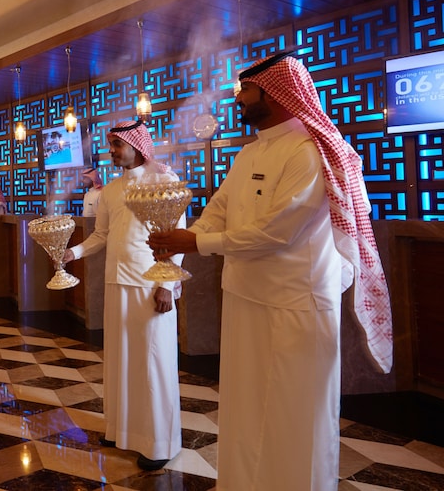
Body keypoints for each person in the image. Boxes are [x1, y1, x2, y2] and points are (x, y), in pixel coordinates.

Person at [148, 51, 392, 491]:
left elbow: (278, 233)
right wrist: (181, 240)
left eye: (246, 89)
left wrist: (194, 243)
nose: (238, 98)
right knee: (245, 408)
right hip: (245, 298)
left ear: (275, 93)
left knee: (294, 417)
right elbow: (218, 210)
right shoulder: (248, 154)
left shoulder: (309, 152)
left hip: (295, 306)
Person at [62, 120, 185, 471]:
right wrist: (74, 252)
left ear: (137, 146)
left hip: (150, 285)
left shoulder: (164, 181)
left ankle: (159, 443)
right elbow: (102, 234)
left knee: (153, 362)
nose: (112, 150)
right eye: (111, 144)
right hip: (116, 283)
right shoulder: (112, 190)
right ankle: (121, 431)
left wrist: (166, 285)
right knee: (120, 360)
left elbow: (176, 235)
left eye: (117, 144)